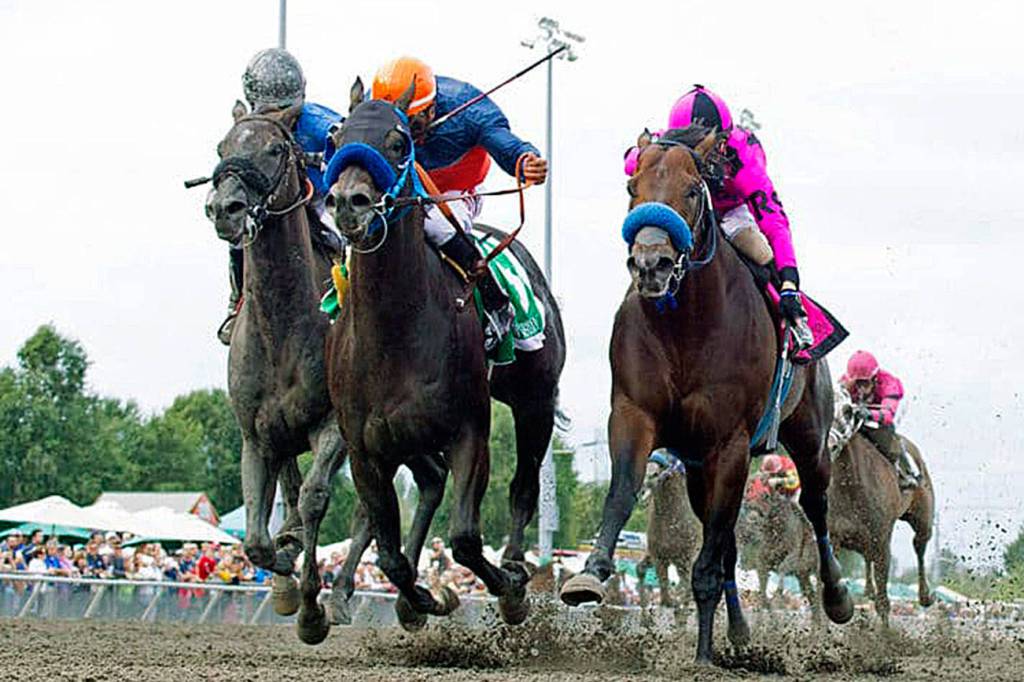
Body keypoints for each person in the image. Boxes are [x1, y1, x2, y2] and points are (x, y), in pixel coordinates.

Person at [370, 56, 549, 350]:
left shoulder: (469, 109)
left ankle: (494, 301)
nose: (409, 133)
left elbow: (505, 143)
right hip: (402, 190)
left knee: (437, 225)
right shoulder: (376, 106)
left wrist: (524, 160)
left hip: (455, 192)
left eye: (413, 123)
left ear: (430, 109)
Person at [624, 85, 812, 346]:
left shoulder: (745, 158)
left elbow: (774, 220)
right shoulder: (663, 146)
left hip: (729, 210)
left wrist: (790, 280)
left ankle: (790, 318)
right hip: (683, 206)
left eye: (714, 146)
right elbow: (632, 162)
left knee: (759, 251)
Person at [216, 47, 347, 345]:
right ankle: (237, 301)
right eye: (267, 110)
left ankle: (351, 301)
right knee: (240, 232)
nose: (276, 117)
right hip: (273, 196)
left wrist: (322, 158)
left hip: (319, 193)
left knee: (342, 233)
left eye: (284, 111)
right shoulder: (249, 129)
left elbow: (352, 146)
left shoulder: (320, 122)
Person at [840, 350, 920, 489]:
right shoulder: (845, 382)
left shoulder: (889, 384)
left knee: (885, 431)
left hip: (888, 411)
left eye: (865, 383)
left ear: (874, 379)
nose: (861, 389)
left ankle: (906, 470)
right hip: (865, 409)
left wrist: (870, 414)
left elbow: (888, 414)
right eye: (857, 384)